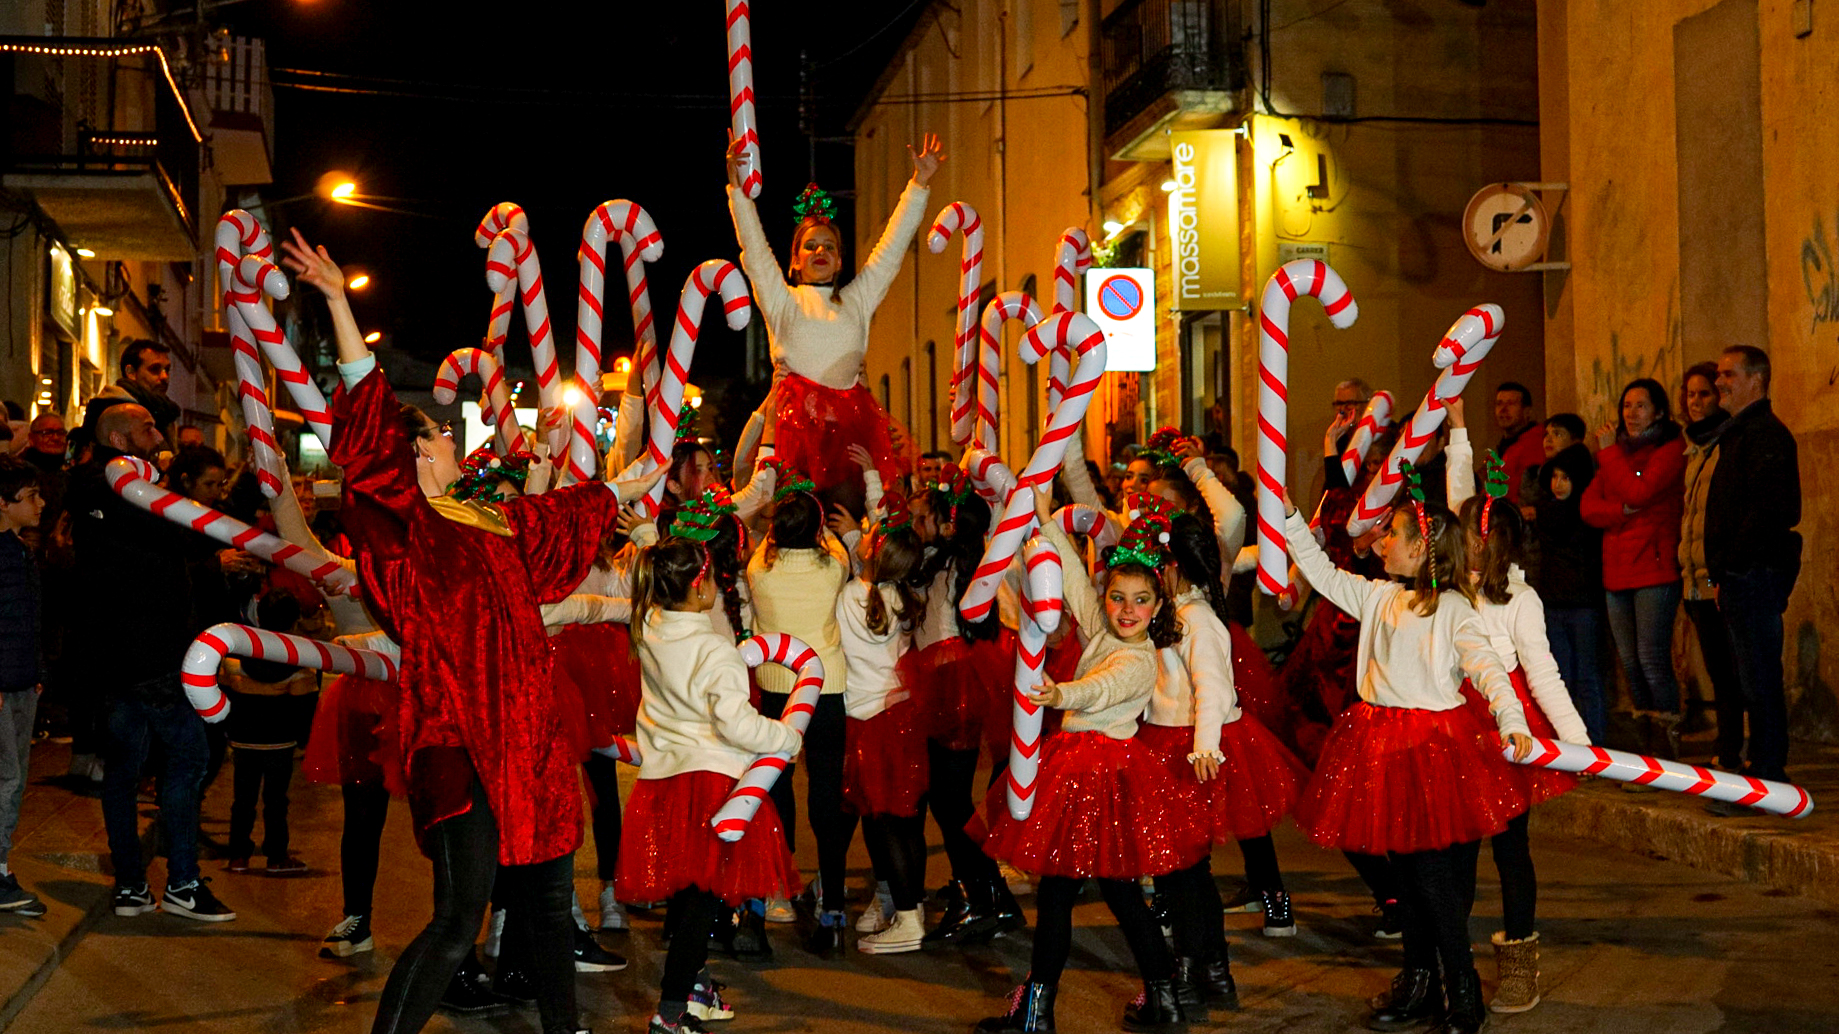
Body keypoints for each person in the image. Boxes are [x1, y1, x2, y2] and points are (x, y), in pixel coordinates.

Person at [282, 229, 656, 1034]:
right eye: (440, 437)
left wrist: (629, 480)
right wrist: (339, 303)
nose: (454, 440)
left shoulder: (494, 520)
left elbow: (564, 514)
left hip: (528, 739)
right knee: (457, 921)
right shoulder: (405, 525)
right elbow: (366, 413)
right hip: (455, 735)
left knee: (550, 911)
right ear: (412, 458)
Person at [1281, 486, 1531, 1034]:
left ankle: (1462, 992)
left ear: (1421, 549)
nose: (1381, 541)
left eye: (1392, 534)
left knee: (1433, 880)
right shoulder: (1377, 596)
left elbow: (1487, 667)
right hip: (1380, 742)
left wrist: (1511, 720)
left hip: (1434, 748)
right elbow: (1321, 574)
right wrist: (1291, 520)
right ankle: (1419, 982)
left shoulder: (1455, 608)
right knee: (1408, 874)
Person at [975, 499, 1211, 1033]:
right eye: (1118, 598)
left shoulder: (1140, 655)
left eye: (1140, 601)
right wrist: (1047, 519)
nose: (1127, 610)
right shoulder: (1102, 628)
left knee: (1091, 892)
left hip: (1103, 773)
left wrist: (1061, 692)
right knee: (1098, 893)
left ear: (1157, 605)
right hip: (1081, 766)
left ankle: (1046, 1009)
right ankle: (1154, 999)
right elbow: (1075, 580)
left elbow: (1101, 687)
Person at [617, 537, 804, 1034]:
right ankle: (671, 1010)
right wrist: (783, 736)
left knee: (687, 891)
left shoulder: (649, 628)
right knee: (701, 900)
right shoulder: (714, 651)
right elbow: (737, 725)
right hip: (708, 782)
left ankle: (692, 985)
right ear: (699, 589)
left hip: (663, 782)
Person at [1138, 502, 1309, 1013]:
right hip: (1168, 740)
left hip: (1191, 748)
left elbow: (1212, 686)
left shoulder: (1199, 620)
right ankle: (1209, 966)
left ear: (1172, 568)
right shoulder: (1177, 613)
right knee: (1184, 869)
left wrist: (1205, 746)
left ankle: (1196, 965)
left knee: (1185, 869)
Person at [67, 403, 234, 922]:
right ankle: (182, 882)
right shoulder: (119, 488)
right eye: (147, 427)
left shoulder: (100, 487)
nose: (158, 434)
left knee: (124, 771)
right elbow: (183, 536)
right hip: (150, 656)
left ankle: (132, 886)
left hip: (119, 657)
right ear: (119, 436)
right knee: (188, 760)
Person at [1450, 451, 1593, 1015]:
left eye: (1471, 538)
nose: (1462, 545)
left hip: (1508, 731)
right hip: (1455, 721)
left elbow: (1544, 674)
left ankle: (1518, 969)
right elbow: (1461, 486)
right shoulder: (1448, 591)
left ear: (1493, 546)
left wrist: (1577, 746)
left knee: (1510, 848)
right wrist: (1458, 428)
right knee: (1455, 849)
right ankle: (1453, 964)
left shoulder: (1521, 600)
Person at [727, 132, 943, 498]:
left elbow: (890, 249)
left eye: (829, 246)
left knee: (850, 519)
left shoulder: (856, 301)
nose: (819, 251)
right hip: (792, 436)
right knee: (790, 519)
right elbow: (755, 250)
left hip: (847, 442)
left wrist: (918, 184)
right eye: (809, 246)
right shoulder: (783, 301)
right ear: (795, 261)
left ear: (840, 260)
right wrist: (737, 191)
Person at [745, 483, 855, 953]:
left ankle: (782, 889)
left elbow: (764, 547)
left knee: (779, 789)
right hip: (826, 688)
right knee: (827, 797)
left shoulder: (759, 574)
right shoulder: (833, 568)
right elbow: (834, 545)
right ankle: (832, 902)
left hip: (777, 687)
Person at [1704, 346, 1801, 799]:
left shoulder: (1765, 436)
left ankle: (1768, 770)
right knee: (1750, 676)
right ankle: (1760, 764)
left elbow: (1769, 510)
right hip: (1741, 574)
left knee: (1760, 676)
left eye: (1728, 374)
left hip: (1755, 574)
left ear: (1756, 381)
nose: (1719, 381)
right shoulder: (1740, 433)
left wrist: (1735, 562)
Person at [836, 498, 929, 953]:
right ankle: (912, 908)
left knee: (885, 822)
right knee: (907, 820)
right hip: (903, 714)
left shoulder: (851, 596)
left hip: (869, 720)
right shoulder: (902, 595)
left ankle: (908, 919)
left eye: (871, 535)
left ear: (875, 552)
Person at [1581, 378, 1686, 763]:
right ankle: (1647, 750)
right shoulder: (1618, 455)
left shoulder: (1669, 450)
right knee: (1630, 662)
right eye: (1627, 406)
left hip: (1654, 569)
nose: (1632, 413)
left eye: (1641, 406)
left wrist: (1611, 461)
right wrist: (1621, 511)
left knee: (1652, 659)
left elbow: (1641, 491)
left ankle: (1668, 748)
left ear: (1658, 412)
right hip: (1617, 571)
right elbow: (1589, 506)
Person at [1675, 363, 1746, 774]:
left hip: (1717, 577)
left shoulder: (1727, 443)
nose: (1697, 402)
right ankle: (1728, 745)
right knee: (1718, 670)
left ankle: (1733, 748)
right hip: (1694, 577)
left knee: (1731, 672)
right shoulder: (1696, 447)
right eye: (1691, 395)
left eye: (1705, 394)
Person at [222, 590, 318, 875]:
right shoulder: (301, 661)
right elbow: (305, 706)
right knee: (276, 801)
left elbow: (224, 691)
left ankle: (238, 855)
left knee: (243, 799)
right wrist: (304, 740)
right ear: (294, 621)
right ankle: (276, 856)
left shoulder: (238, 656)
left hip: (244, 739)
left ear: (259, 617)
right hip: (280, 741)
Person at [0, 454, 48, 917]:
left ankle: (0, 867)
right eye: (30, 496)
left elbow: (27, 618)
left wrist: (34, 673)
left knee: (13, 781)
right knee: (5, 777)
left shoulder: (19, 548)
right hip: (4, 681)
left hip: (18, 680)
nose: (41, 503)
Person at [1534, 443, 1607, 744]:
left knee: (1588, 676)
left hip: (1583, 603)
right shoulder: (1546, 512)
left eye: (1566, 477)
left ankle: (1595, 744)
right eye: (1555, 477)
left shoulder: (1588, 513)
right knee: (1560, 675)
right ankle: (1569, 744)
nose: (1558, 484)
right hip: (1554, 602)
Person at [83, 339, 179, 443]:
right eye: (154, 369)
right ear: (131, 372)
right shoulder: (112, 409)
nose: (165, 377)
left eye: (167, 370)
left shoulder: (164, 410)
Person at [1493, 382, 1545, 504]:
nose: (1503, 410)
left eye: (1511, 404)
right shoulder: (1505, 446)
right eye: (1499, 404)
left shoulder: (1535, 444)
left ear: (1527, 412)